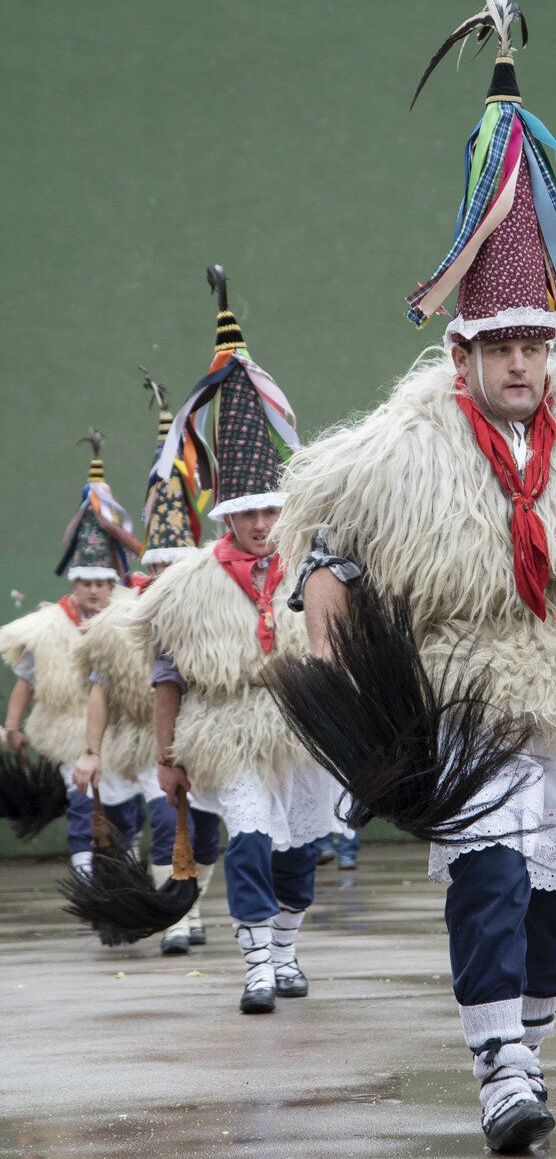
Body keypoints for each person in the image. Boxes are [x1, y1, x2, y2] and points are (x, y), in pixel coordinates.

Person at [275, 0, 556, 1155]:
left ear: (553, 344)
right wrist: (333, 658)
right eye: (501, 345)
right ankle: (500, 1067)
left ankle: (528, 1028)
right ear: (462, 349)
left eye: (536, 341)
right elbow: (327, 541)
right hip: (467, 692)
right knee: (486, 874)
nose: (522, 361)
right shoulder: (404, 446)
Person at [128, 266, 350, 1013]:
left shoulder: (313, 570)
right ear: (227, 516)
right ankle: (256, 961)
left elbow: (342, 654)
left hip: (301, 729)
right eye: (249, 513)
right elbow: (166, 674)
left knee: (298, 850)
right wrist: (165, 758)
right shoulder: (187, 583)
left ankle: (286, 949)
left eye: (269, 512)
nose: (260, 524)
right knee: (251, 838)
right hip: (226, 729)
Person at [72, 375, 221, 953]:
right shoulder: (120, 620)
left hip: (201, 741)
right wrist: (91, 750)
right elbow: (100, 689)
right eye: (159, 571)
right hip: (140, 744)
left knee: (198, 835)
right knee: (154, 826)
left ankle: (188, 901)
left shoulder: (211, 611)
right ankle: (174, 919)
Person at [0, 433, 144, 870]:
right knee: (85, 810)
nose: (95, 590)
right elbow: (27, 678)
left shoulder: (131, 617)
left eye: (102, 582)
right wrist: (11, 727)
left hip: (121, 736)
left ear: (111, 582)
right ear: (74, 582)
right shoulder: (48, 627)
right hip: (69, 733)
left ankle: (125, 877)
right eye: (86, 582)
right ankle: (89, 886)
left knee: (125, 813)